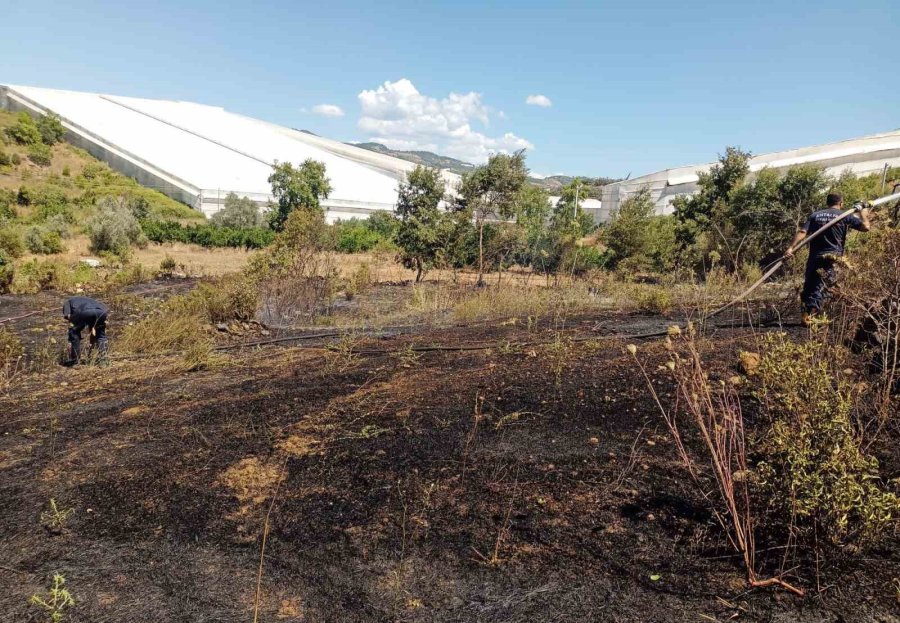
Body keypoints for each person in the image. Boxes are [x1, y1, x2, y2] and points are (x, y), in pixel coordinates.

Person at [784, 193, 870, 324]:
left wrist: (791, 248)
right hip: (832, 257)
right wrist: (863, 214)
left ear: (827, 203)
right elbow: (866, 227)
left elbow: (802, 232)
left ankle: (806, 314)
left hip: (814, 257)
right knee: (822, 285)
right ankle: (811, 317)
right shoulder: (845, 215)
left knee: (810, 284)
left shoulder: (815, 215)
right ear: (841, 203)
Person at [62, 296, 109, 366]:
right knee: (101, 336)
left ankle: (75, 360)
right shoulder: (92, 300)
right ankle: (104, 360)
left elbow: (68, 316)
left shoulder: (68, 302)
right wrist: (91, 347)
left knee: (74, 333)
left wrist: (74, 329)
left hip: (83, 312)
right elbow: (104, 310)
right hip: (101, 313)